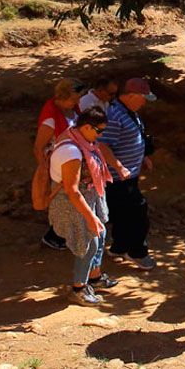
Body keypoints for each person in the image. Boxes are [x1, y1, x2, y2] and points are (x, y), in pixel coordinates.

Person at [47, 106, 118, 305]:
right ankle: (78, 288)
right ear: (87, 127)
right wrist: (90, 217)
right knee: (88, 243)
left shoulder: (83, 140)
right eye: (99, 131)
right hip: (73, 203)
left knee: (99, 235)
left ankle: (94, 277)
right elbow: (72, 190)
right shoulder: (72, 151)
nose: (101, 135)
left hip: (90, 196)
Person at [97, 78, 156, 271]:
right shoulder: (115, 116)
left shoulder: (128, 112)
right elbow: (103, 145)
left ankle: (119, 247)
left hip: (128, 175)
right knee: (139, 212)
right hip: (119, 178)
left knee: (122, 213)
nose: (144, 102)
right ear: (130, 96)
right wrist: (119, 166)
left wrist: (143, 156)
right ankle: (137, 252)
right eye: (142, 98)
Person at [35, 78, 83, 252]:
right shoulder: (50, 118)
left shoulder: (71, 109)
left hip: (71, 160)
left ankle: (64, 234)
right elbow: (39, 148)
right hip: (58, 165)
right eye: (73, 100)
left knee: (70, 201)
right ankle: (54, 236)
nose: (77, 103)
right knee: (62, 201)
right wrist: (44, 172)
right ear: (62, 97)